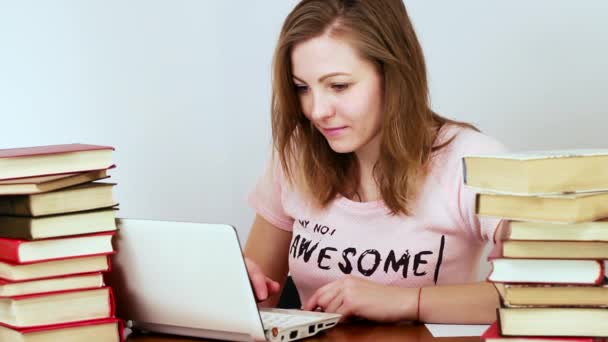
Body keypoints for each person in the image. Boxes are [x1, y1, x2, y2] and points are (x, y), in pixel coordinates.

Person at [244, 0, 506, 324]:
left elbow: (543, 290)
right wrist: (240, 287)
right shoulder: (297, 154)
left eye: (339, 86)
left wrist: (405, 301)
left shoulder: (470, 160)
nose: (316, 110)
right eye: (302, 88)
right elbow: (258, 299)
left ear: (393, 75)